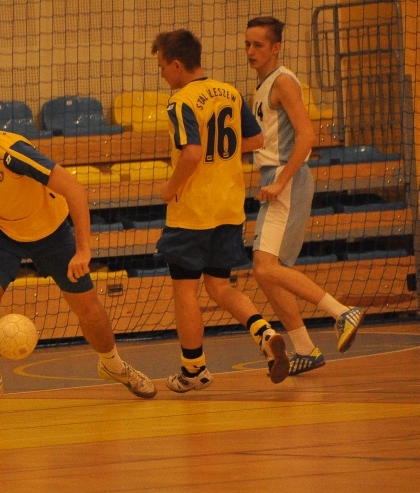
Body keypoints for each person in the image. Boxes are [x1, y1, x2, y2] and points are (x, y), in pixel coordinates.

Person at [0, 94, 156, 415]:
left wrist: (83, 249)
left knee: (89, 309)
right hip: (1, 235)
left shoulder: (12, 152)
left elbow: (74, 188)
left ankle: (113, 366)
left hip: (51, 231)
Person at [151, 29, 289, 392]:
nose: (162, 74)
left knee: (185, 292)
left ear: (177, 64)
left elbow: (192, 153)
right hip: (229, 207)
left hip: (192, 211)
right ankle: (265, 333)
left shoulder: (180, 101)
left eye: (162, 66)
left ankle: (193, 370)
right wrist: (222, 152)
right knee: (219, 286)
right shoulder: (229, 92)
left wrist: (171, 187)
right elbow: (256, 139)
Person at [245, 17, 363, 376]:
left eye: (258, 45)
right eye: (247, 44)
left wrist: (281, 182)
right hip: (275, 176)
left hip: (286, 178)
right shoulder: (263, 85)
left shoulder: (283, 81)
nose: (250, 51)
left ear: (276, 47)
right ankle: (304, 349)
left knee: (265, 267)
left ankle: (342, 312)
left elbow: (308, 137)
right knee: (268, 273)